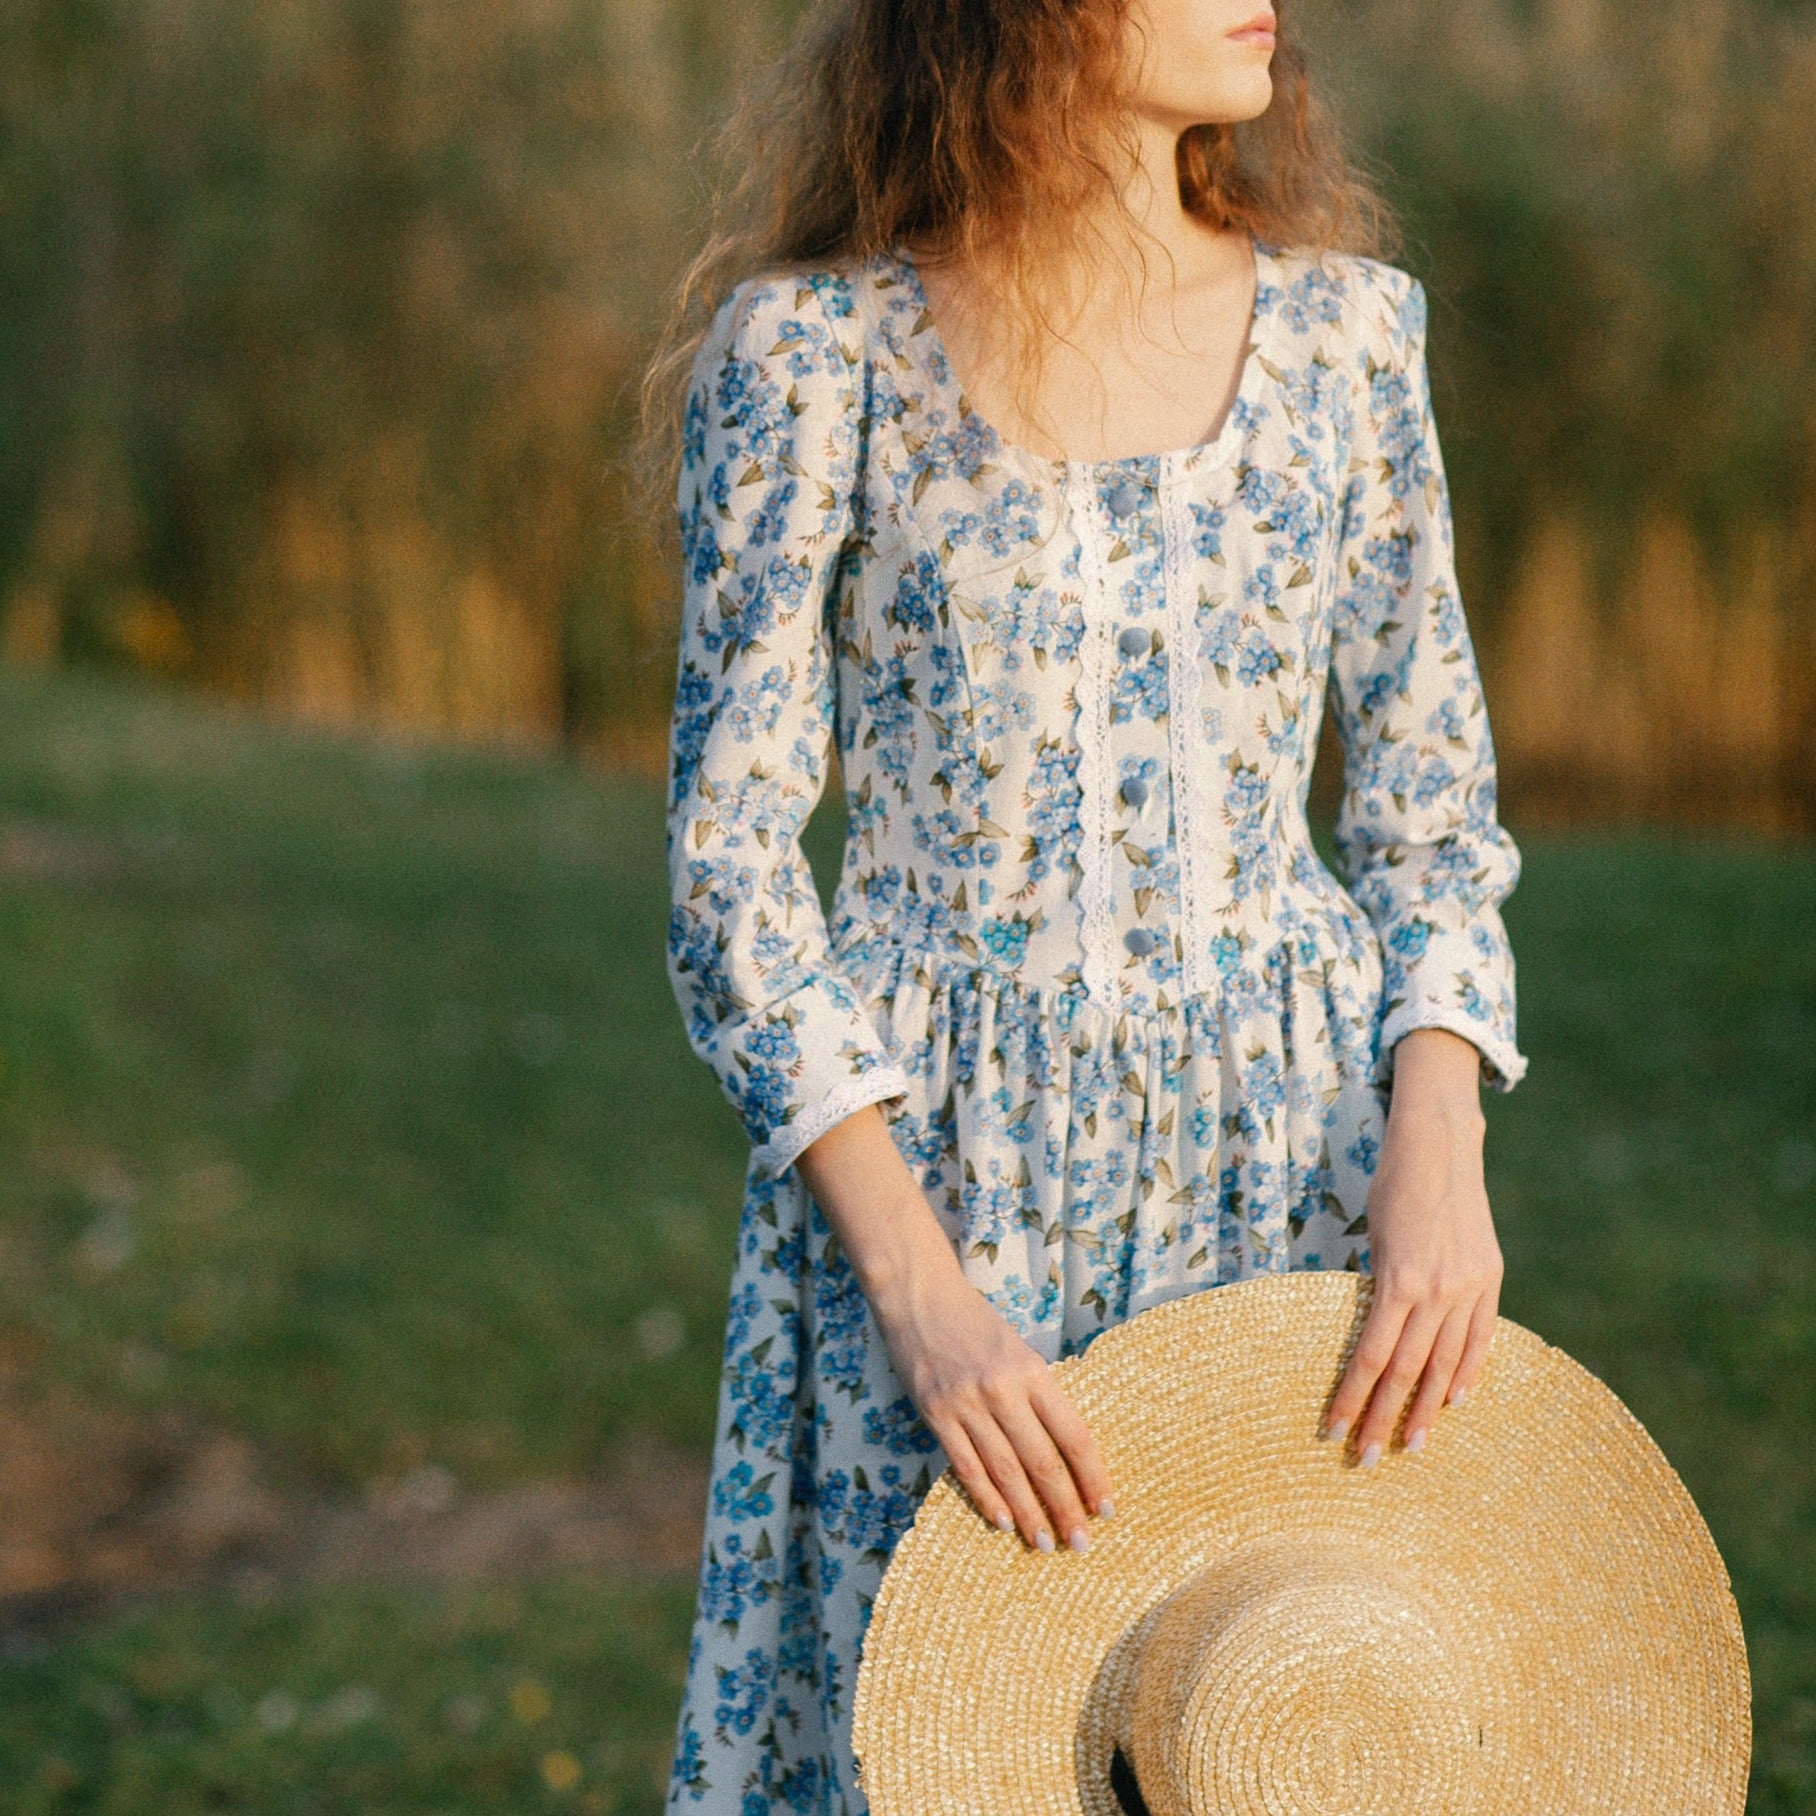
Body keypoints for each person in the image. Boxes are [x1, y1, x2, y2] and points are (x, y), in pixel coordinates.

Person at [641, 1, 1527, 1809]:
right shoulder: (814, 359)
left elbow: (1433, 811)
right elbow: (732, 868)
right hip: (945, 1211)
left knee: (1264, 1739)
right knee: (945, 1752)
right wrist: (921, 1297)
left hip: (1291, 1186)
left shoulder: (1355, 341)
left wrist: (1439, 1153)